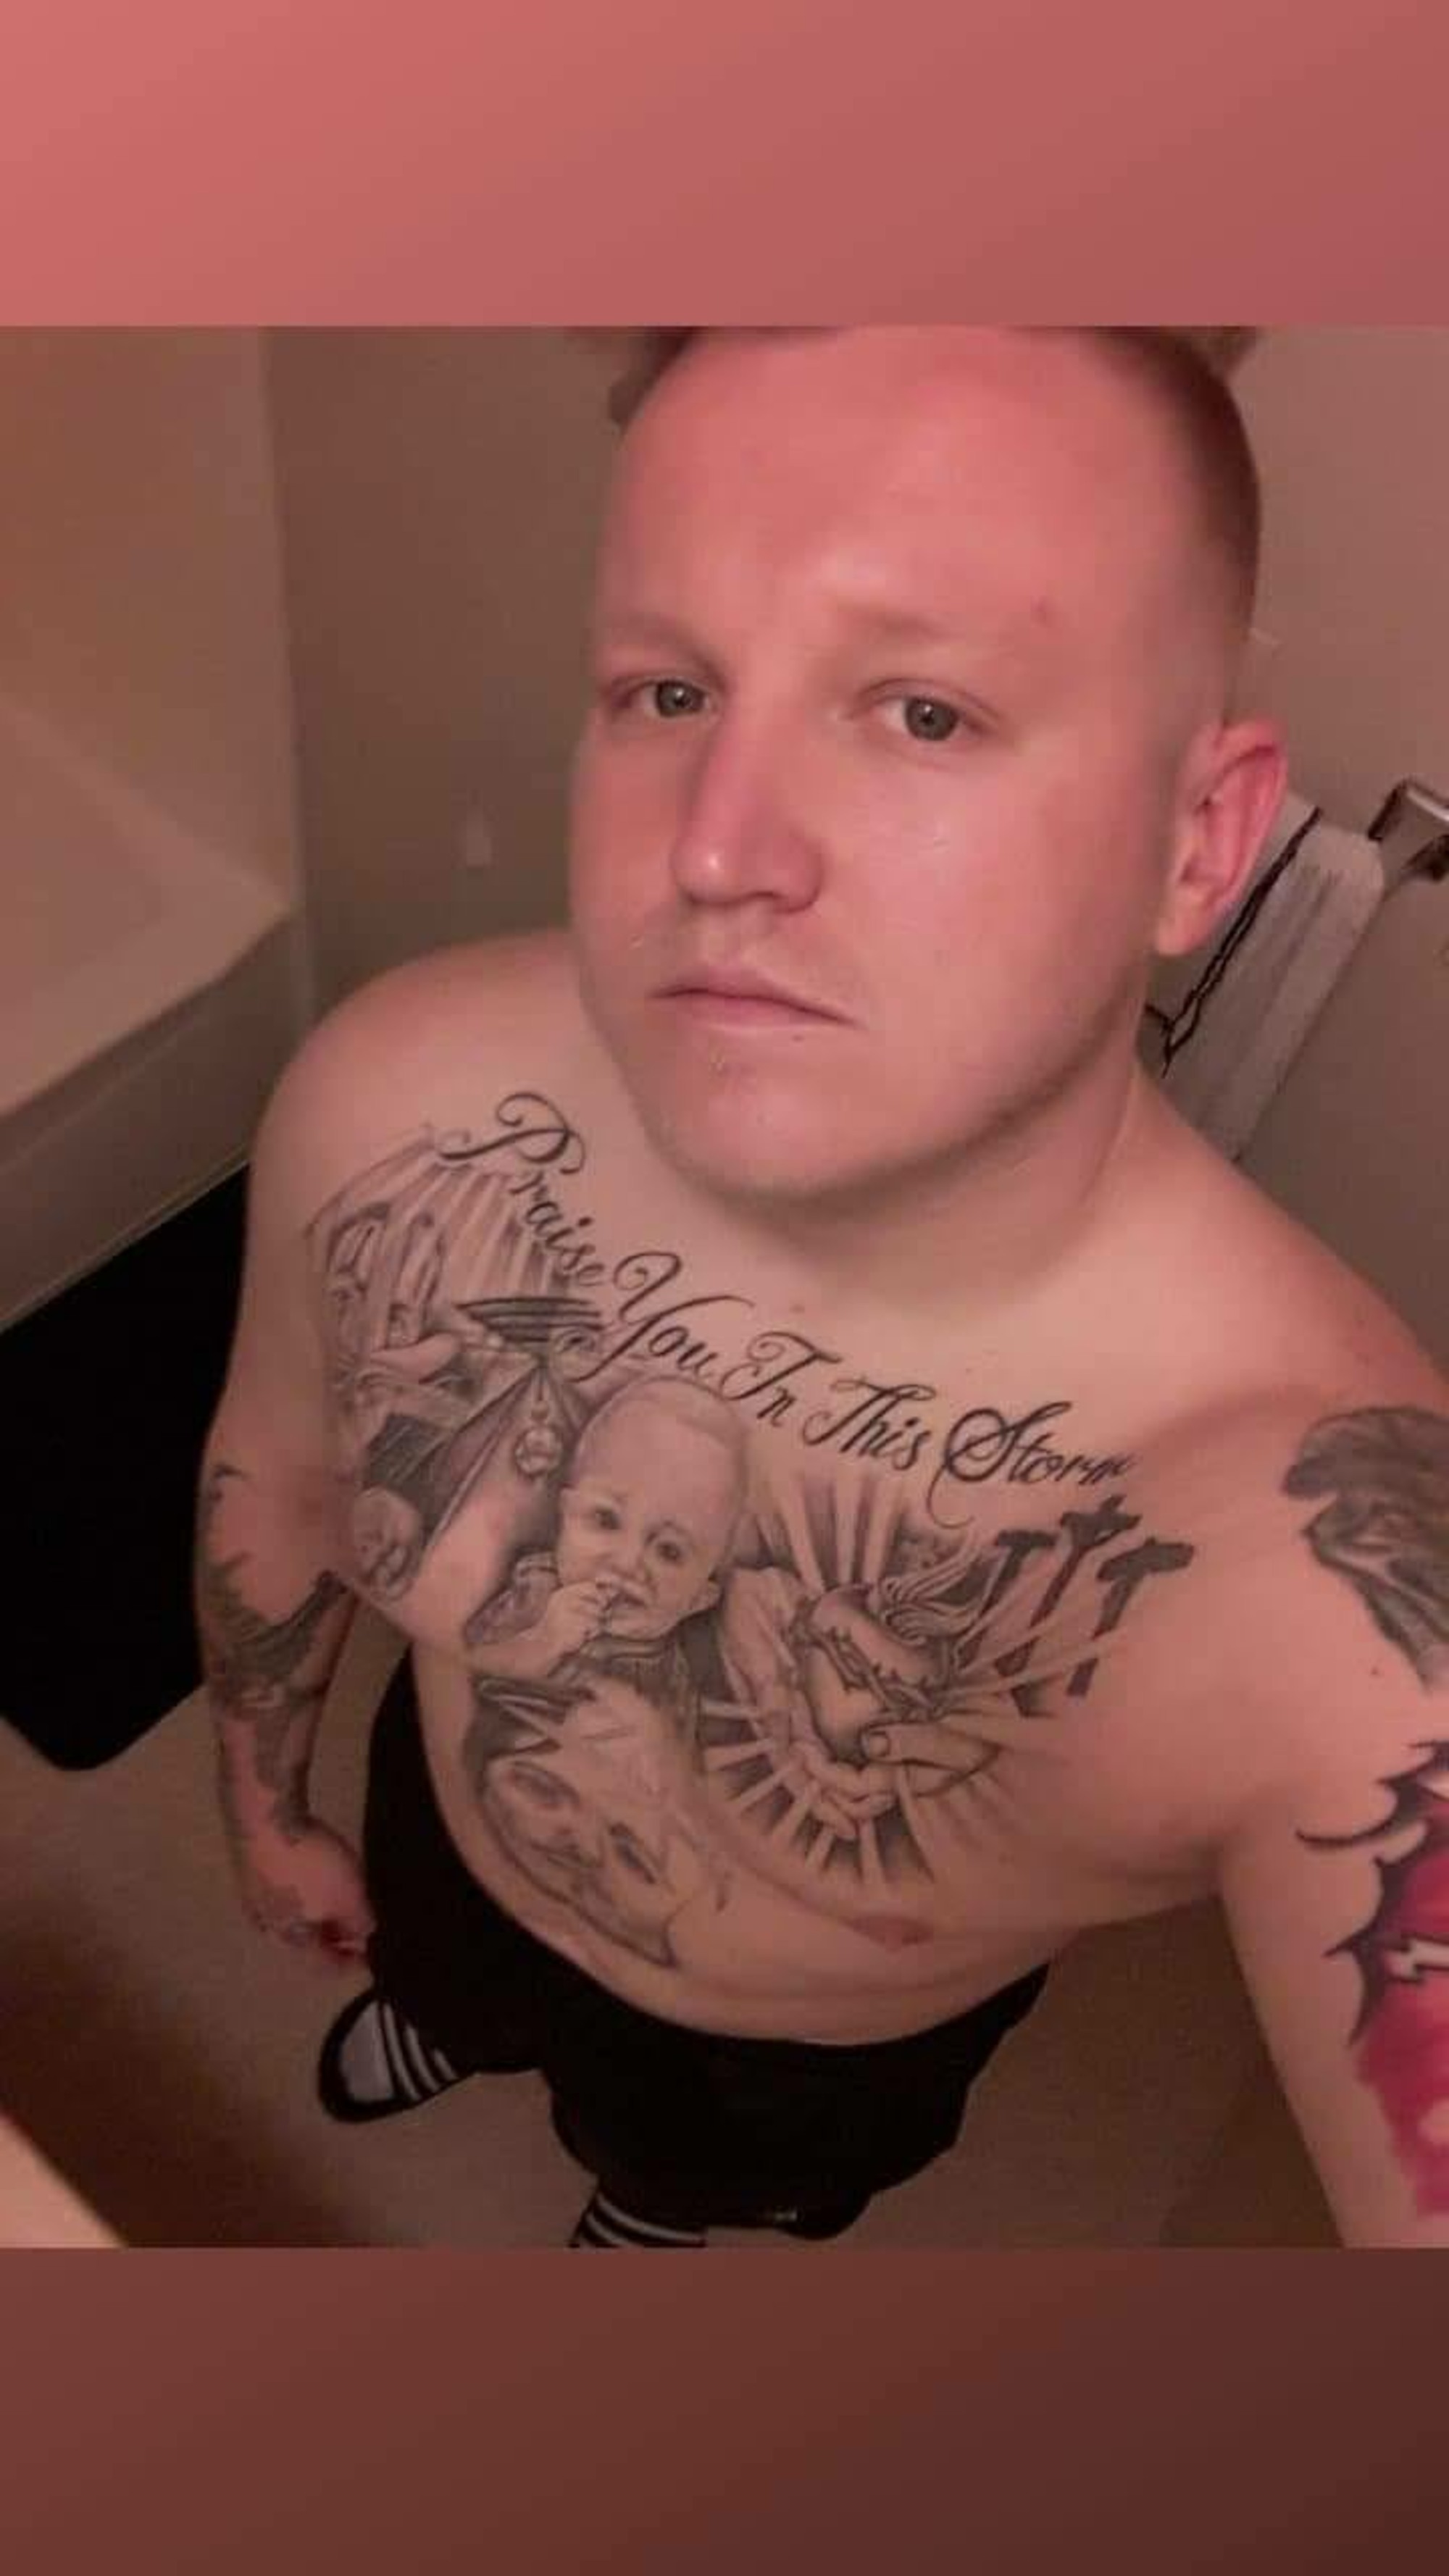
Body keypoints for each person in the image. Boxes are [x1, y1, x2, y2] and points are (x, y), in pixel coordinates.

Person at [195, 326, 1449, 2248]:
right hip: (450, 1839)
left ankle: (654, 2203)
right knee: (447, 1971)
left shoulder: (1321, 1569)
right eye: (669, 688)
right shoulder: (399, 1106)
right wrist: (264, 1804)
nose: (716, 846)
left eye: (924, 710)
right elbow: (276, 1475)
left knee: (692, 2173)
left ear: (1200, 840)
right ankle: (452, 2014)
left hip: (799, 2061)